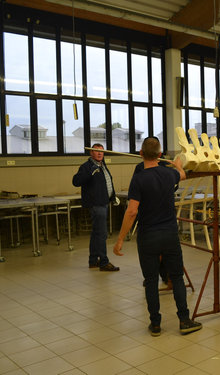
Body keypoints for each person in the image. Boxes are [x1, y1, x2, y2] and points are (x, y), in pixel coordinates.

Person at [113, 137, 202, 336]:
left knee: (151, 280)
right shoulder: (169, 174)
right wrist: (177, 164)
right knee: (177, 277)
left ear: (141, 154)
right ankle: (184, 320)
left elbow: (132, 212)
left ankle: (155, 324)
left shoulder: (138, 179)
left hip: (148, 236)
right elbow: (182, 175)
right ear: (160, 155)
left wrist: (120, 240)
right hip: (170, 234)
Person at [72, 143, 119, 271]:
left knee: (96, 233)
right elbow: (76, 181)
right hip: (96, 204)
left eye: (101, 152)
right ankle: (104, 262)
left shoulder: (103, 165)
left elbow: (107, 182)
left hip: (104, 202)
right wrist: (90, 173)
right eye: (96, 151)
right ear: (91, 153)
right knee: (102, 234)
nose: (99, 153)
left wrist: (112, 196)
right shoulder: (87, 166)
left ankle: (93, 261)